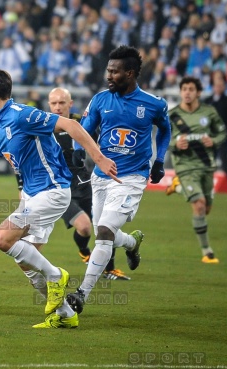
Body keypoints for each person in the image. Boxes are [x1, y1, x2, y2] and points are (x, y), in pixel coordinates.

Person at [0, 68, 119, 329]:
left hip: (52, 191)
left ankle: (57, 275)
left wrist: (99, 158)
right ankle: (66, 314)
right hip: (31, 197)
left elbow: (71, 125)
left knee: (2, 238)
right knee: (26, 261)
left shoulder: (22, 115)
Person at [66, 45, 171, 315]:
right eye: (108, 70)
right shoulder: (100, 99)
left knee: (102, 233)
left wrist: (159, 161)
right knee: (107, 234)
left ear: (130, 73)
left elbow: (165, 129)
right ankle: (133, 243)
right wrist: (78, 151)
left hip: (132, 178)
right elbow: (85, 129)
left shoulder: (153, 103)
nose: (108, 76)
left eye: (114, 72)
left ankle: (81, 294)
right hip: (101, 177)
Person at [47, 87, 131, 281]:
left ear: (70, 103)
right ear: (49, 104)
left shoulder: (83, 124)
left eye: (62, 102)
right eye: (54, 103)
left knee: (106, 225)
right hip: (59, 188)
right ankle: (85, 251)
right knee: (84, 227)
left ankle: (110, 269)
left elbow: (103, 146)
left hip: (86, 183)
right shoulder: (44, 127)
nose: (58, 107)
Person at [166, 76, 226, 264]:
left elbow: (222, 132)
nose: (187, 92)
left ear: (198, 92)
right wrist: (175, 143)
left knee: (205, 209)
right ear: (181, 92)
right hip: (185, 167)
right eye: (184, 89)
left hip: (206, 165)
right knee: (199, 204)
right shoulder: (172, 115)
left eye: (191, 89)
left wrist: (214, 141)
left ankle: (177, 188)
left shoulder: (208, 112)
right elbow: (162, 140)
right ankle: (207, 251)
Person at [203, 71, 227, 186]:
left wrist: (226, 133)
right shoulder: (208, 101)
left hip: (222, 136)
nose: (219, 87)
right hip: (210, 136)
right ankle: (207, 182)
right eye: (217, 85)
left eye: (221, 85)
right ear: (213, 86)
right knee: (209, 160)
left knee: (224, 160)